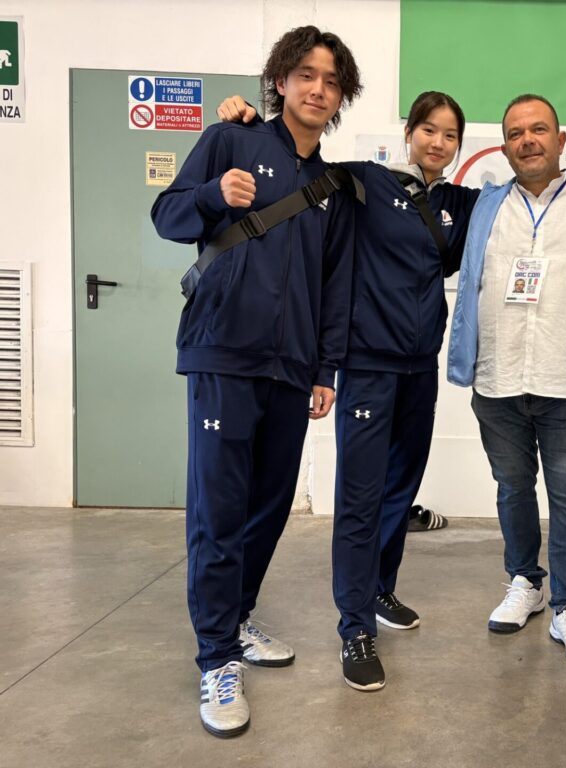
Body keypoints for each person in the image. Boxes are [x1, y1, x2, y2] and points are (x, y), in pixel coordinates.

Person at [218, 90, 479, 692]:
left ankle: (380, 589)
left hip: (420, 367)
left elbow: (516, 202)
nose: (437, 142)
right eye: (428, 130)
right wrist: (250, 121)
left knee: (400, 488)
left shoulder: (458, 204)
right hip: (368, 365)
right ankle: (355, 627)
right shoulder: (362, 181)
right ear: (409, 132)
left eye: (449, 135)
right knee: (360, 498)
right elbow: (296, 161)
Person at [151, 27, 361, 736]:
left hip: (292, 369)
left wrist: (325, 369)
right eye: (306, 74)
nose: (317, 89)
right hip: (222, 354)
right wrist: (213, 194)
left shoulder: (332, 187)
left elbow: (334, 286)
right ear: (280, 81)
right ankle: (216, 658)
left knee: (268, 507)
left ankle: (235, 618)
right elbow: (167, 215)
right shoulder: (230, 140)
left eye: (330, 80)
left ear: (341, 96)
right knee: (218, 510)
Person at [447, 94, 566, 667]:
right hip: (497, 379)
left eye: (539, 129)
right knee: (512, 488)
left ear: (560, 140)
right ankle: (526, 581)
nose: (528, 140)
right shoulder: (484, 205)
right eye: (516, 133)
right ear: (504, 148)